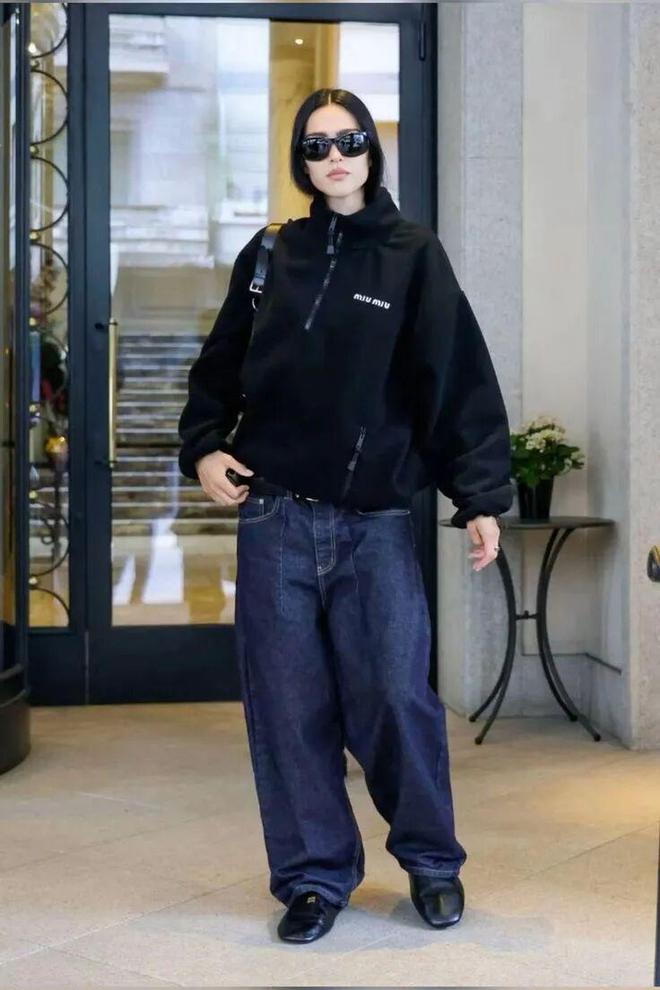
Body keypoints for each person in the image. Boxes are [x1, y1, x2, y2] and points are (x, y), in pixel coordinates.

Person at [178, 88, 513, 944]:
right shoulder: (270, 254)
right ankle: (313, 878)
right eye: (317, 144)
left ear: (371, 150)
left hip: (373, 524)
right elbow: (218, 367)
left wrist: (479, 496)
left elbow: (455, 379)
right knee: (288, 708)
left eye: (349, 140)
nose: (334, 156)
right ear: (301, 158)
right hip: (275, 519)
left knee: (396, 698)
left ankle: (432, 862)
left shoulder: (411, 255)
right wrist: (205, 446)